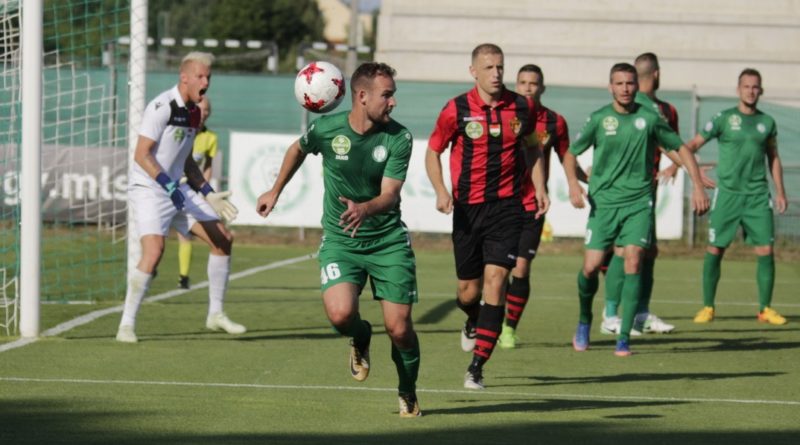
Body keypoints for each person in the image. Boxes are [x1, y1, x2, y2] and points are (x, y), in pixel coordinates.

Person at [256, 62, 422, 418]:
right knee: (341, 315)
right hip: (341, 240)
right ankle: (361, 336)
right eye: (387, 95)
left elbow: (390, 195)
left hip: (387, 241)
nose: (393, 103)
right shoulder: (326, 129)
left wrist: (365, 209)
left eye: (393, 95)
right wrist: (275, 190)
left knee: (399, 329)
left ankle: (407, 390)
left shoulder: (399, 137)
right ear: (361, 96)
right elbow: (297, 149)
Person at [563, 62, 709, 356]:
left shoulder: (650, 118)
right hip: (604, 204)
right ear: (610, 87)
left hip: (639, 203)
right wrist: (574, 184)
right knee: (590, 268)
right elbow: (570, 153)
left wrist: (696, 183)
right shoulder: (599, 118)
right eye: (619, 83)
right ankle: (584, 319)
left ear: (637, 85)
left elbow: (679, 148)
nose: (625, 89)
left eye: (630, 83)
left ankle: (623, 337)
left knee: (633, 261)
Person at [426, 43, 547, 389]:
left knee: (497, 280)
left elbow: (533, 146)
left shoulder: (522, 106)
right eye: (489, 67)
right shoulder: (456, 109)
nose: (496, 74)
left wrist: (539, 187)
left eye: (500, 67)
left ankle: (476, 367)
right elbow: (433, 152)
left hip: (507, 209)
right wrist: (441, 190)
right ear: (473, 72)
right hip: (467, 210)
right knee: (467, 293)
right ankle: (472, 319)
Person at [117, 52, 243, 344]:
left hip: (178, 189)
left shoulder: (195, 113)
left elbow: (186, 162)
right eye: (200, 76)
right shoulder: (161, 107)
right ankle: (126, 324)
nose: (206, 82)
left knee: (223, 239)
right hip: (149, 189)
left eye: (209, 77)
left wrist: (208, 194)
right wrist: (168, 185)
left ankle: (215, 314)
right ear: (184, 77)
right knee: (154, 251)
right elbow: (141, 154)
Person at [687, 68, 788, 325]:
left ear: (761, 90)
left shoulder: (767, 123)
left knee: (766, 250)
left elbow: (774, 158)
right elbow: (691, 146)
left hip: (757, 196)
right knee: (715, 249)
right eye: (746, 86)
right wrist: (691, 170)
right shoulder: (723, 119)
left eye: (755, 87)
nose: (751, 91)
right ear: (738, 90)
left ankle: (765, 309)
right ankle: (708, 307)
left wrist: (780, 191)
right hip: (728, 195)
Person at [498, 64, 580, 349]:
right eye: (523, 82)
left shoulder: (555, 122)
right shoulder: (503, 115)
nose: (528, 88)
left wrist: (576, 181)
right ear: (516, 85)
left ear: (542, 87)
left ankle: (509, 329)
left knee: (521, 268)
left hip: (532, 204)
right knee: (496, 270)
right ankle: (489, 320)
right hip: (501, 202)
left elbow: (566, 155)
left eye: (533, 83)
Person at [600, 52, 681, 336]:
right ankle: (612, 313)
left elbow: (673, 145)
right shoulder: (639, 108)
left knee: (646, 251)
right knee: (623, 250)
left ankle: (639, 313)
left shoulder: (666, 110)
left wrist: (676, 166)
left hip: (646, 189)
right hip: (624, 190)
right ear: (657, 74)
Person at [177, 96, 218, 289]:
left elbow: (207, 167)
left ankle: (183, 277)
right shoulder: (181, 130)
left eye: (207, 110)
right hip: (169, 187)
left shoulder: (210, 138)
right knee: (156, 241)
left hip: (191, 189)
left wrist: (205, 190)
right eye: (201, 109)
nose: (204, 113)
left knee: (186, 234)